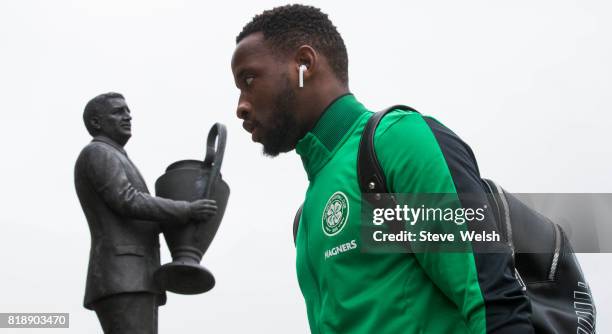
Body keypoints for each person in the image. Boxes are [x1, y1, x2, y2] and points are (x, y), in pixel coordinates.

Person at [231, 5, 534, 333]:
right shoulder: (305, 217)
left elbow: (493, 303)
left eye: (249, 79)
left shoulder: (397, 140)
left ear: (304, 64)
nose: (240, 106)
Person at [74, 92, 217, 334]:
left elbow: (136, 214)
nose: (128, 116)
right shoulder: (98, 153)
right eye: (118, 111)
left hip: (136, 277)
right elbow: (127, 200)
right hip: (122, 276)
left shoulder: (116, 156)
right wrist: (185, 210)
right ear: (97, 122)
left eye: (128, 111)